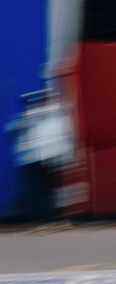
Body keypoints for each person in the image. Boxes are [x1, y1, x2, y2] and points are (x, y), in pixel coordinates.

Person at [6, 90, 74, 224]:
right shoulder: (51, 112)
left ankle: (43, 216)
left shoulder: (37, 114)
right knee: (43, 188)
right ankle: (44, 216)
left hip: (37, 158)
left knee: (39, 189)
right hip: (42, 157)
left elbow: (12, 131)